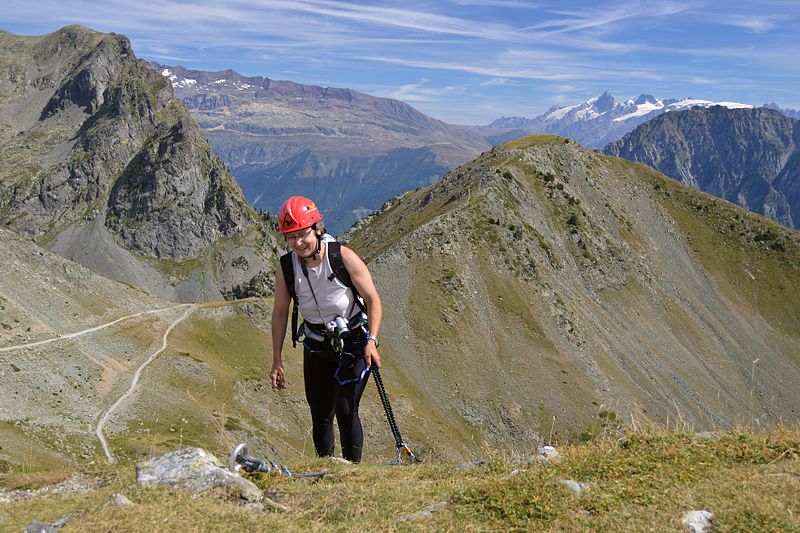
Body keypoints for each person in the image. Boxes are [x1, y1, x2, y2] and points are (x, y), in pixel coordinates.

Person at [270, 196, 382, 463]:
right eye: (290, 237)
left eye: (302, 234)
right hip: (317, 344)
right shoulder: (287, 267)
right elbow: (280, 313)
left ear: (317, 229)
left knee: (345, 408)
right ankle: (328, 471)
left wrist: (372, 340)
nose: (297, 243)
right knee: (320, 414)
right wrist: (277, 360)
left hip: (355, 341)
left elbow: (373, 300)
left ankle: (352, 472)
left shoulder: (342, 256)